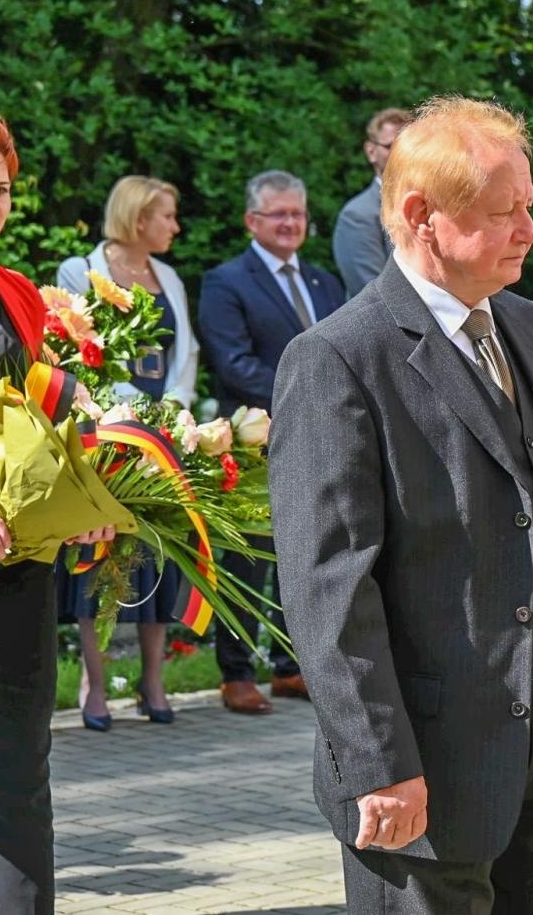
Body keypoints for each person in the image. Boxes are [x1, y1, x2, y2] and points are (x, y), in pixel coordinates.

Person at [270, 95, 533, 913]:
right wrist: (378, 761)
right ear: (423, 216)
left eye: (529, 205)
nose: (532, 231)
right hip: (424, 763)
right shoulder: (337, 359)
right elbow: (328, 589)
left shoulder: (524, 327)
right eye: (504, 212)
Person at [0, 114, 117, 915]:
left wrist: (89, 494)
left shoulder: (13, 292)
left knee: (17, 770)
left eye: (1, 189)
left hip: (18, 569)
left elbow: (41, 418)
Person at [54, 175, 199, 729]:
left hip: (164, 437)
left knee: (158, 552)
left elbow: (186, 354)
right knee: (99, 557)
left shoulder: (169, 277)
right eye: (167, 216)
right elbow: (78, 347)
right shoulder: (80, 271)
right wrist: (133, 414)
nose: (175, 227)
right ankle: (95, 685)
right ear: (139, 219)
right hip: (106, 434)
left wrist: (173, 411)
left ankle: (152, 681)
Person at [200, 170, 346, 714]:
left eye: (298, 214)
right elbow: (233, 363)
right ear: (251, 220)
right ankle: (236, 673)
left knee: (306, 552)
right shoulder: (225, 282)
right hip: (252, 439)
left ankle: (289, 666)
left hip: (319, 437)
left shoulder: (325, 284)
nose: (290, 223)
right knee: (247, 557)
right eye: (278, 214)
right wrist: (308, 396)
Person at [334, 107, 411, 297]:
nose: (400, 153)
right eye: (390, 146)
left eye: (407, 145)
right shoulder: (358, 215)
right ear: (371, 151)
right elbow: (373, 294)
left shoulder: (434, 206)